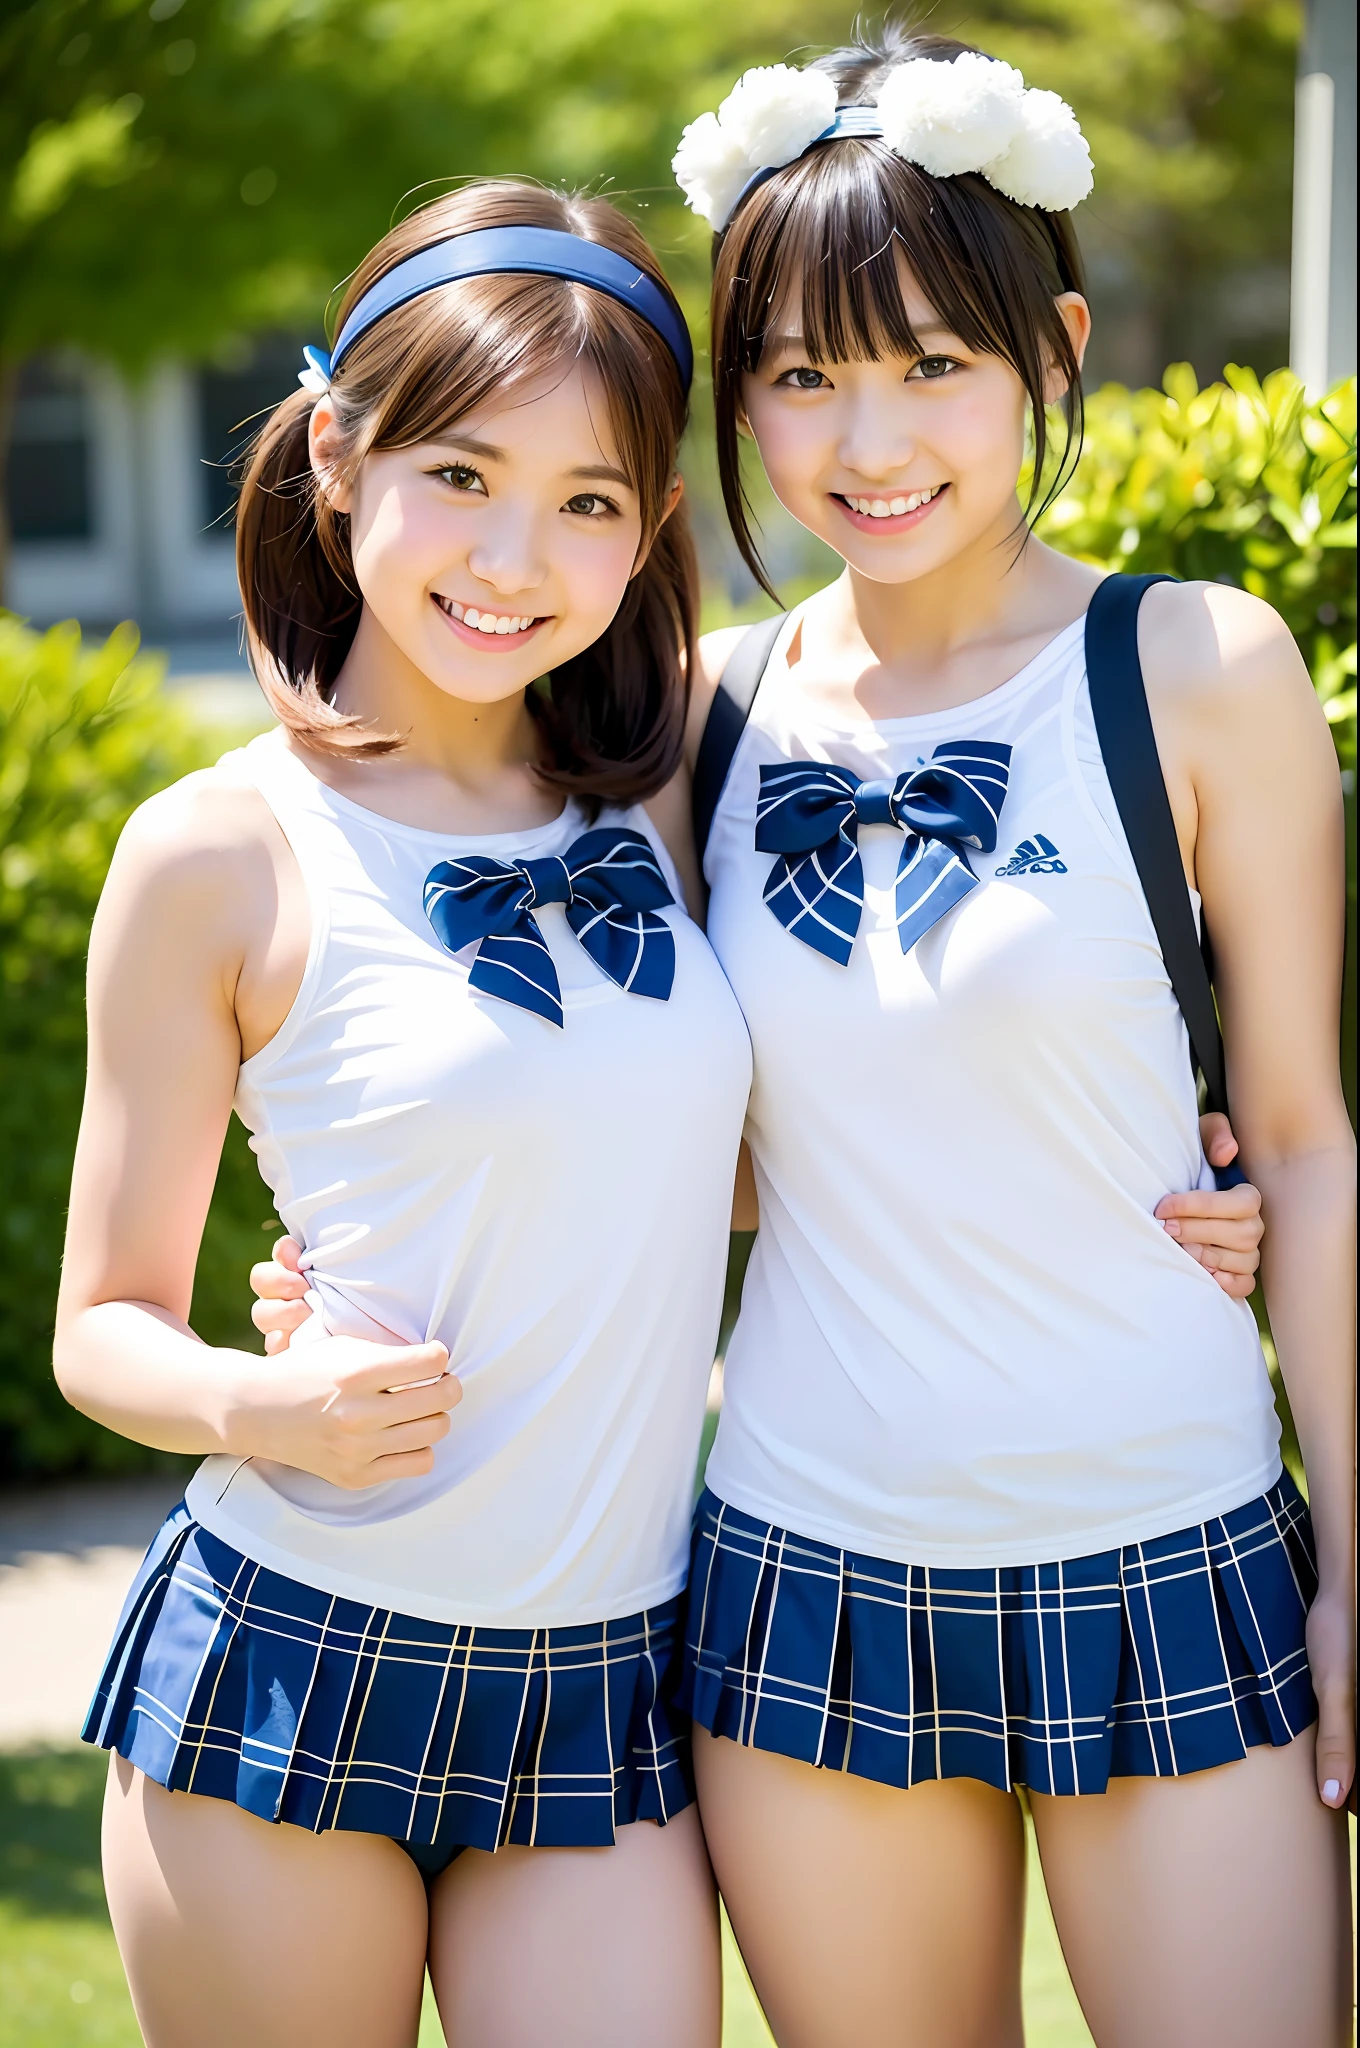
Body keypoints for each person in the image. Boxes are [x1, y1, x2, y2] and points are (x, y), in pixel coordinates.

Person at [665, 27, 1353, 2048]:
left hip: (1167, 1542)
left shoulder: (1195, 667)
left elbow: (1302, 1139)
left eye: (926, 362)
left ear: (1047, 348)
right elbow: (618, 1130)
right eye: (797, 373)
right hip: (809, 1565)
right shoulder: (692, 718)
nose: (861, 439)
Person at [56, 181, 754, 2048]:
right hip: (298, 1656)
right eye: (459, 474)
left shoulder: (682, 786)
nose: (512, 556)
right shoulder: (215, 850)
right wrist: (253, 1395)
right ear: (342, 457)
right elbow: (97, 1329)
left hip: (606, 1679)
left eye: (586, 503)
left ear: (650, 535)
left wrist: (1176, 1166)